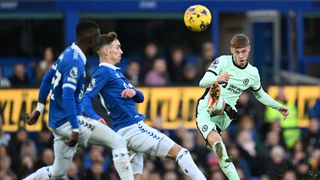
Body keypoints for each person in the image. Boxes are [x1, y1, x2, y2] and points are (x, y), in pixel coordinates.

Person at [82, 32, 206, 180]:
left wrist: (132, 92)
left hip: (124, 131)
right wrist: (94, 116)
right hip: (132, 128)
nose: (121, 51)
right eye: (117, 47)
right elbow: (86, 98)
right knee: (181, 153)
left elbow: (141, 97)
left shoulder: (117, 73)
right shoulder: (102, 72)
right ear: (107, 51)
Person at [23, 20, 134, 180]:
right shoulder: (75, 62)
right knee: (118, 142)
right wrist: (75, 128)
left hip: (57, 123)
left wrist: (39, 109)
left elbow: (48, 77)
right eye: (96, 37)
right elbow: (68, 95)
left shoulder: (68, 53)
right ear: (89, 39)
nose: (98, 42)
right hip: (69, 122)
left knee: (57, 172)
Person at [196, 34, 289, 180]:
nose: (240, 55)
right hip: (204, 111)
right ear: (231, 50)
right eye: (237, 52)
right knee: (220, 148)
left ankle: (220, 103)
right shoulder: (222, 61)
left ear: (249, 49)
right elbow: (203, 82)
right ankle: (217, 102)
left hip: (226, 116)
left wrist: (278, 106)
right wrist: (217, 79)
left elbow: (260, 95)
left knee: (221, 151)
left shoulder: (252, 73)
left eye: (244, 51)